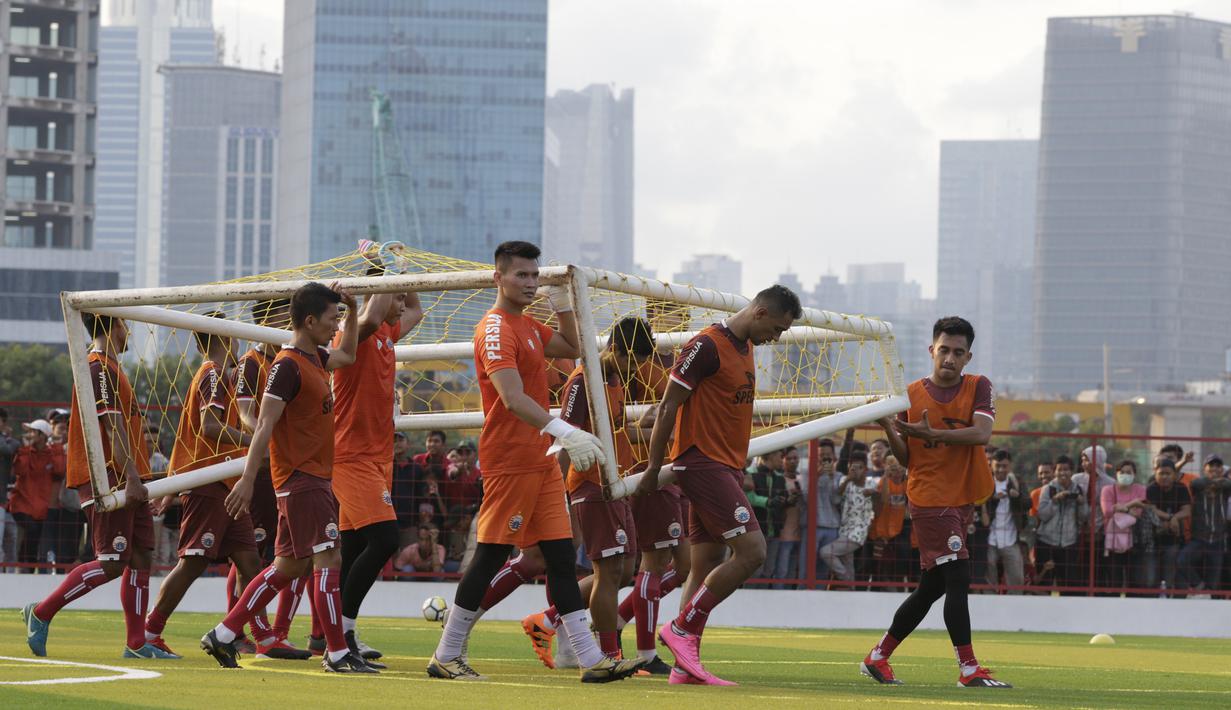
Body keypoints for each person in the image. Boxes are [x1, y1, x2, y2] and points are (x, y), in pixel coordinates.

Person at [426, 241, 642, 683]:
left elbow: (573, 346)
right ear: (498, 277)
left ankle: (590, 659)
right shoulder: (494, 328)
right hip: (510, 459)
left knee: (560, 558)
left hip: (540, 460)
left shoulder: (526, 325)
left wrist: (561, 303)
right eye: (521, 275)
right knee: (491, 555)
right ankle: (446, 654)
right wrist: (565, 430)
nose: (530, 283)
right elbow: (511, 397)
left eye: (534, 276)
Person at [634, 284, 802, 686]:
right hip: (701, 463)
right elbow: (668, 406)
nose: (776, 338)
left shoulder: (745, 348)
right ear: (760, 312)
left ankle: (683, 667)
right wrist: (654, 467)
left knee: (704, 562)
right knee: (753, 551)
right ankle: (682, 628)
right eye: (776, 329)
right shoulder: (706, 346)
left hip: (724, 466)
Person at [199, 281, 370, 673]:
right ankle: (337, 653)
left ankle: (223, 634)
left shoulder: (316, 358)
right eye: (332, 319)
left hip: (309, 478)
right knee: (330, 557)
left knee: (288, 567)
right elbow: (263, 425)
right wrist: (246, 479)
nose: (336, 325)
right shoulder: (287, 365)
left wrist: (353, 311)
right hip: (302, 477)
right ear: (309, 321)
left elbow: (348, 355)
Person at [860, 316, 1009, 688]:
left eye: (958, 352)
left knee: (932, 587)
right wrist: (888, 427)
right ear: (931, 350)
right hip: (930, 498)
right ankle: (969, 669)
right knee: (958, 577)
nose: (950, 358)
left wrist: (933, 434)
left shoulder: (979, 386)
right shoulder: (910, 394)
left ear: (968, 357)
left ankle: (878, 657)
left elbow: (982, 434)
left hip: (961, 498)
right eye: (944, 350)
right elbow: (908, 458)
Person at [22, 313, 169, 659]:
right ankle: (41, 611)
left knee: (141, 557)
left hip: (128, 477)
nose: (128, 331)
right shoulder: (99, 368)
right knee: (112, 562)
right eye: (125, 324)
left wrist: (138, 477)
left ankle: (136, 643)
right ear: (113, 326)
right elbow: (112, 427)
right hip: (108, 478)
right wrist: (131, 476)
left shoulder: (112, 368)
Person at [521, 317, 655, 670]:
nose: (635, 370)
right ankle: (609, 656)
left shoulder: (614, 381)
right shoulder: (582, 381)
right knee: (608, 573)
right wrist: (557, 494)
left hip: (616, 484)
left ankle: (547, 619)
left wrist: (645, 428)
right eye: (632, 362)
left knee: (624, 572)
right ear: (615, 349)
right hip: (591, 485)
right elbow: (564, 436)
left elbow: (615, 431)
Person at [143, 313, 271, 659]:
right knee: (194, 562)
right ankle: (149, 633)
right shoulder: (212, 373)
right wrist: (254, 440)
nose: (239, 343)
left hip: (225, 484)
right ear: (224, 338)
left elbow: (185, 436)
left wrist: (171, 487)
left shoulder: (216, 375)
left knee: (250, 563)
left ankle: (249, 635)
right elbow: (208, 427)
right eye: (234, 336)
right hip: (209, 482)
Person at [330, 272, 423, 665]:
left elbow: (417, 308)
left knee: (353, 550)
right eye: (394, 296)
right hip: (351, 456)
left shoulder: (387, 332)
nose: (401, 303)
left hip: (376, 457)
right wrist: (384, 272)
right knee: (385, 540)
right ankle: (339, 636)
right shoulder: (356, 331)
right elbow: (369, 315)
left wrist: (403, 271)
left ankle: (339, 636)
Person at [234, 297, 314, 658]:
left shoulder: (288, 359)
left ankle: (267, 632)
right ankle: (250, 632)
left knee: (294, 554)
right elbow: (246, 415)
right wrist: (268, 440)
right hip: (263, 470)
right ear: (267, 320)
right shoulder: (251, 363)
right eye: (283, 317)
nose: (289, 324)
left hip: (287, 467)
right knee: (254, 556)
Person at [613, 348, 692, 672]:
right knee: (652, 564)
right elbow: (633, 426)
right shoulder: (641, 369)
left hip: (673, 478)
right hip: (653, 477)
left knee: (683, 566)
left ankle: (616, 619)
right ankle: (645, 653)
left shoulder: (681, 364)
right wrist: (657, 430)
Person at [8, 419, 65, 567]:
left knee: (35, 539)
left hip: (40, 507)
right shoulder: (25, 451)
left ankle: (30, 567)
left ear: (43, 435)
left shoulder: (51, 452)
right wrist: (26, 449)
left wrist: (57, 447)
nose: (30, 434)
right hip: (20, 504)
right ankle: (22, 563)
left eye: (34, 431)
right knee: (31, 530)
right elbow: (20, 470)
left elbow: (60, 470)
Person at [820, 451, 877, 583]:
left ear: (865, 469)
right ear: (848, 467)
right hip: (844, 530)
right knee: (848, 564)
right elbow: (836, 499)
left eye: (860, 467)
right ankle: (851, 586)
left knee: (826, 552)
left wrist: (873, 493)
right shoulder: (845, 481)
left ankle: (846, 579)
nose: (856, 470)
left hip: (857, 533)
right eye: (853, 467)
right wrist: (848, 480)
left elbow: (878, 500)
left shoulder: (871, 483)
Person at [1178, 455, 1231, 596]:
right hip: (1199, 539)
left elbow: (1228, 484)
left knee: (1214, 581)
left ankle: (1208, 594)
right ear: (1204, 468)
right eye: (1211, 465)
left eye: (1218, 466)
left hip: (1218, 541)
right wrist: (1215, 481)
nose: (1214, 468)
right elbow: (1196, 483)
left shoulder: (1226, 488)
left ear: (1222, 469)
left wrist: (1218, 482)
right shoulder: (1197, 485)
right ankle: (1199, 586)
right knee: (1182, 560)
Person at [1035, 456, 1088, 590]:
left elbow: (1083, 518)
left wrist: (1081, 503)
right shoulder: (1048, 489)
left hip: (1069, 544)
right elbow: (1042, 515)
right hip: (1046, 542)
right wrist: (1054, 501)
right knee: (1044, 584)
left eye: (1066, 469)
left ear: (1072, 471)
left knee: (1069, 585)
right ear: (1054, 472)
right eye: (1059, 470)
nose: (1063, 473)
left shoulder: (1079, 489)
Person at [980, 450, 1029, 593]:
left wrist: (1017, 496)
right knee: (988, 576)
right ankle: (989, 600)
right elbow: (976, 503)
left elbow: (1028, 503)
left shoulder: (1016, 481)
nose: (1001, 469)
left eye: (1004, 466)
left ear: (1010, 466)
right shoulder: (986, 482)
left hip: (1011, 538)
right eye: (998, 466)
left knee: (1016, 577)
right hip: (990, 538)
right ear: (991, 465)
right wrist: (992, 498)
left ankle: (1015, 601)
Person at [1143, 457, 1190, 592]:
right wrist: (1171, 518)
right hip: (1151, 541)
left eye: (1168, 473)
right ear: (1155, 473)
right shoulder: (1151, 488)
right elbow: (1151, 509)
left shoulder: (1181, 488)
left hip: (1173, 540)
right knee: (1150, 580)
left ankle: (1168, 599)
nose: (1164, 477)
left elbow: (1187, 510)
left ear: (1174, 475)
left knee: (1169, 578)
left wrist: (1175, 517)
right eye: (1161, 473)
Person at [799, 440, 842, 579]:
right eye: (821, 455)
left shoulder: (838, 476)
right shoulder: (806, 473)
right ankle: (802, 589)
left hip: (832, 526)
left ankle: (820, 590)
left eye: (828, 455)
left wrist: (831, 478)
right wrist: (816, 476)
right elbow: (806, 498)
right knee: (806, 565)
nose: (825, 458)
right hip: (812, 525)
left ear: (834, 456)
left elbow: (836, 500)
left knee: (823, 569)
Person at [868, 454, 909, 585]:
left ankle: (896, 586)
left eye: (899, 466)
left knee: (899, 561)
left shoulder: (907, 482)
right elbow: (884, 500)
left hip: (898, 530)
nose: (897, 471)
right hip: (881, 529)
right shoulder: (884, 481)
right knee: (878, 562)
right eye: (893, 467)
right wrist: (886, 477)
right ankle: (876, 585)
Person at [772, 447, 805, 589]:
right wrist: (788, 500)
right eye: (789, 458)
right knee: (781, 571)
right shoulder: (779, 479)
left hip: (801, 532)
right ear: (783, 460)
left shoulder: (803, 479)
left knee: (792, 572)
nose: (793, 461)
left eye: (795, 458)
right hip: (784, 533)